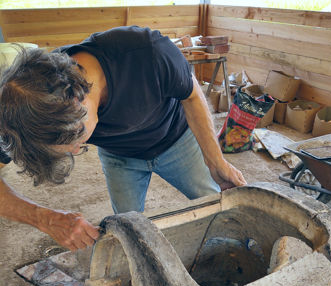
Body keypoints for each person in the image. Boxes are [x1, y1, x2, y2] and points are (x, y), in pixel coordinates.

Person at [0, 26, 246, 252]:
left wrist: (216, 161)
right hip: (119, 155)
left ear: (78, 104)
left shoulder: (148, 52)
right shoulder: (24, 108)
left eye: (75, 142)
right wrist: (45, 218)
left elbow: (192, 96)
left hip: (176, 138)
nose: (77, 151)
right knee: (129, 228)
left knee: (215, 205)